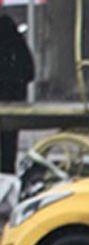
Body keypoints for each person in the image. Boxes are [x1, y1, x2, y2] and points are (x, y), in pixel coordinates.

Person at [0, 14, 34, 174]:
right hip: (13, 103)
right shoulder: (14, 38)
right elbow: (29, 71)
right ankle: (8, 185)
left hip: (9, 98)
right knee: (8, 148)